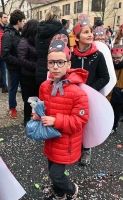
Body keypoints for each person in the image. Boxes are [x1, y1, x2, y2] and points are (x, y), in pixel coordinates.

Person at [36, 33, 89, 200]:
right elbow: (43, 107)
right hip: (50, 138)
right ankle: (59, 194)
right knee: (51, 167)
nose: (55, 67)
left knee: (56, 175)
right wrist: (38, 115)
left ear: (69, 64)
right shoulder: (45, 86)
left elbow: (80, 121)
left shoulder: (78, 93)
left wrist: (56, 120)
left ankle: (72, 189)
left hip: (66, 142)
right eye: (52, 62)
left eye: (60, 62)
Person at [71, 14, 109, 166]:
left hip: (90, 97)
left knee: (87, 123)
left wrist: (89, 91)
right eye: (86, 32)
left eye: (91, 32)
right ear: (77, 37)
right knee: (74, 122)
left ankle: (86, 149)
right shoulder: (70, 55)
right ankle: (74, 148)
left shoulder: (98, 55)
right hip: (72, 96)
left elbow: (105, 77)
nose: (90, 35)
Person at [35, 6, 69, 87]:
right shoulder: (62, 33)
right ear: (60, 16)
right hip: (56, 71)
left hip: (40, 70)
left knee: (43, 96)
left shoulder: (38, 33)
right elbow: (66, 55)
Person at [1, 10, 26, 118]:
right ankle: (12, 108)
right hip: (14, 68)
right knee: (13, 89)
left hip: (23, 67)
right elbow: (5, 55)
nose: (24, 23)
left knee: (25, 88)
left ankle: (28, 107)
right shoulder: (7, 35)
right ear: (18, 21)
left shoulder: (20, 33)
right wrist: (20, 61)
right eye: (23, 21)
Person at [17, 19, 39, 126]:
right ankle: (26, 119)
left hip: (36, 75)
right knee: (28, 99)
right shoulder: (24, 42)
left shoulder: (36, 41)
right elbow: (22, 60)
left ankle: (36, 116)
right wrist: (36, 66)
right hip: (27, 75)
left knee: (37, 97)